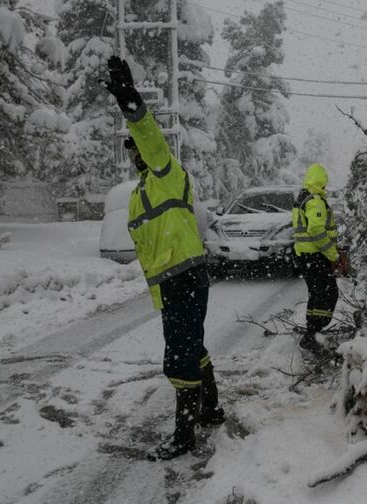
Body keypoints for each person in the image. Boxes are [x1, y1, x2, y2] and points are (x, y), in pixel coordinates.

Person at [102, 56, 224, 460]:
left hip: (184, 278)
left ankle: (184, 436)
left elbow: (151, 137)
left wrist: (130, 102)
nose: (134, 152)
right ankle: (210, 409)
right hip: (172, 284)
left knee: (177, 360)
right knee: (193, 348)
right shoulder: (139, 192)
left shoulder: (166, 173)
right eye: (132, 148)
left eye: (137, 146)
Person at [292, 163, 343, 359]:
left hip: (305, 256)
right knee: (328, 294)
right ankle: (312, 335)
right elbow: (316, 230)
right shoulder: (315, 200)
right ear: (322, 181)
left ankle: (312, 332)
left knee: (317, 295)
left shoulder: (303, 197)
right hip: (315, 256)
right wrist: (333, 255)